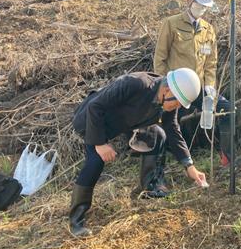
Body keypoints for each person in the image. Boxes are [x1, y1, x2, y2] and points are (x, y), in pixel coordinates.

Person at [69, 68, 208, 237]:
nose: (177, 107)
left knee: (158, 135)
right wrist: (100, 143)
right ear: (167, 90)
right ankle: (76, 221)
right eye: (177, 102)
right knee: (96, 161)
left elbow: (172, 129)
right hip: (92, 119)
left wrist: (189, 166)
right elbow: (95, 106)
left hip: (124, 122)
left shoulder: (168, 98)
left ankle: (150, 188)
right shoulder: (136, 84)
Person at [154, 0, 232, 167]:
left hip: (199, 89)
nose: (201, 8)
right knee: (170, 126)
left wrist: (210, 87)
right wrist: (165, 88)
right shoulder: (171, 24)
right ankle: (170, 161)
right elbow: (160, 59)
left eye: (205, 6)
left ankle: (227, 156)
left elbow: (211, 63)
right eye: (198, 3)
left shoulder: (208, 30)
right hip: (175, 89)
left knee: (227, 108)